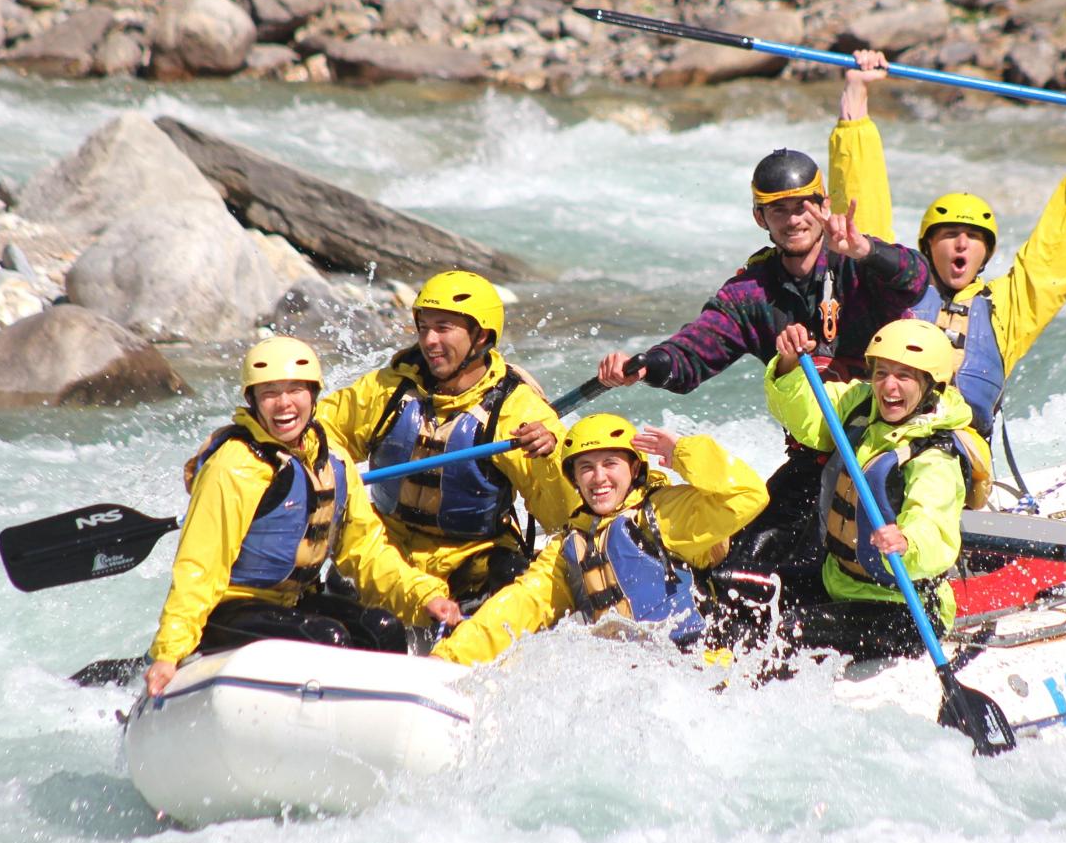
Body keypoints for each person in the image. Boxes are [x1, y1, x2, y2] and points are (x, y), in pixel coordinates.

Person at [594, 149, 932, 568]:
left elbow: (917, 279)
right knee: (743, 567)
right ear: (760, 218)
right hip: (817, 457)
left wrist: (864, 249)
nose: (793, 220)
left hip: (895, 445)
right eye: (779, 210)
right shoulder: (752, 290)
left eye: (804, 206)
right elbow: (695, 350)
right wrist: (647, 365)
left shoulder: (859, 263)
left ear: (824, 207)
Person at [144, 337, 463, 697]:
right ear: (252, 400)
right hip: (229, 610)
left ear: (313, 395)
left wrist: (424, 596)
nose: (283, 403)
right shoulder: (234, 467)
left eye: (295, 389)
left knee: (383, 628)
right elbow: (199, 568)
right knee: (330, 638)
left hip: (293, 603)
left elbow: (367, 551)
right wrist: (169, 652)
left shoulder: (334, 460)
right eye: (269, 392)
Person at [831, 49, 1066, 438]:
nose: (962, 245)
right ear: (928, 245)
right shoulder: (895, 288)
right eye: (950, 235)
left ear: (987, 252)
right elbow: (859, 217)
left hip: (961, 451)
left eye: (973, 239)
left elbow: (1061, 246)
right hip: (884, 440)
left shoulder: (1008, 308)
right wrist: (856, 94)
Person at [318, 270, 576, 607]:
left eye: (443, 328)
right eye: (424, 328)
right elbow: (319, 433)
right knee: (340, 584)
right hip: (387, 547)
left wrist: (550, 457)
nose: (428, 341)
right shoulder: (390, 389)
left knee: (510, 581)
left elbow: (566, 513)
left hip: (473, 558)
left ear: (481, 337)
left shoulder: (516, 409)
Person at [432, 414, 768, 664]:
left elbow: (748, 495)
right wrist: (448, 659)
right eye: (586, 468)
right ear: (575, 479)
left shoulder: (666, 514)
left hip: (703, 669)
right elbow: (519, 608)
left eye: (610, 463)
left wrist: (682, 451)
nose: (599, 478)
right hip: (629, 679)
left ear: (635, 470)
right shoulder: (570, 546)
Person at [762, 318, 988, 659]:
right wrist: (790, 365)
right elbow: (806, 415)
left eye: (904, 376)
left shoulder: (934, 457)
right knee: (753, 599)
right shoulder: (859, 405)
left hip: (904, 609)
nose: (889, 387)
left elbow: (933, 525)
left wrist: (907, 541)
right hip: (839, 581)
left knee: (789, 629)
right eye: (881, 373)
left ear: (930, 385)